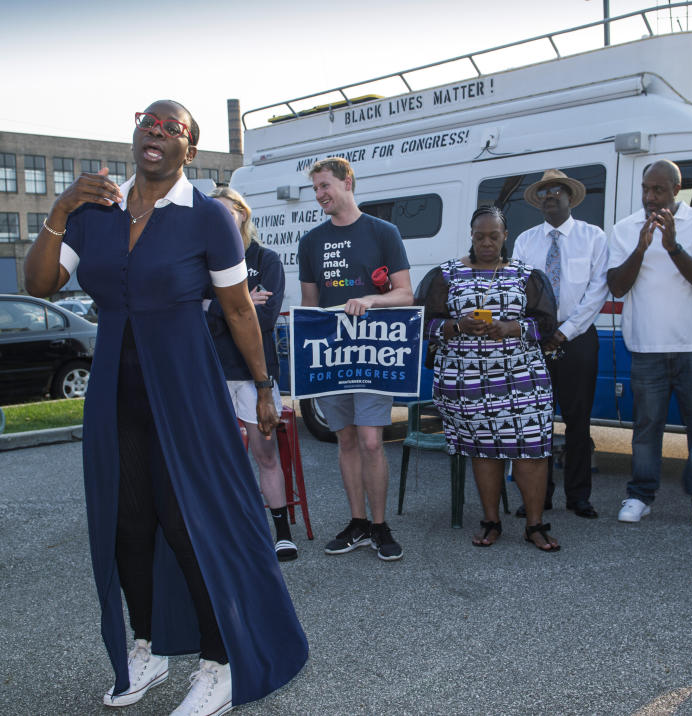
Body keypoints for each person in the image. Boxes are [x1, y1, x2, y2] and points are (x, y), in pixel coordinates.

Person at [23, 100, 307, 714]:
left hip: (184, 387)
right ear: (134, 135)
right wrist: (60, 207)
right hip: (114, 392)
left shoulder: (207, 216)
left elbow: (237, 310)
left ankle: (220, 661)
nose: (156, 132)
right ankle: (147, 647)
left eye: (171, 127)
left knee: (188, 525)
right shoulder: (94, 210)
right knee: (127, 524)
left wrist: (263, 385)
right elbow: (38, 285)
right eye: (147, 122)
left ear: (190, 149)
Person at [417, 206, 560, 550]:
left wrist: (513, 327)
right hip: (467, 383)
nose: (485, 242)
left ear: (504, 236)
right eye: (479, 236)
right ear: (471, 235)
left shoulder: (527, 275)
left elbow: (547, 325)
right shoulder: (446, 275)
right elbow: (422, 323)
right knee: (484, 450)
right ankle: (490, 521)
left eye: (493, 236)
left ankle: (535, 525)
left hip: (523, 380)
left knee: (532, 451)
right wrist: (456, 326)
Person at [298, 157, 413, 561]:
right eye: (315, 189)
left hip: (373, 354)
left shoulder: (384, 232)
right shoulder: (311, 241)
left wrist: (370, 299)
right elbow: (310, 305)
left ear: (348, 183)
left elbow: (405, 294)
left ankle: (380, 526)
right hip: (332, 357)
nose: (319, 195)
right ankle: (357, 523)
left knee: (370, 440)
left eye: (325, 186)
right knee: (345, 439)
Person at [607, 160, 692, 529]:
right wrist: (641, 248)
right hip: (646, 346)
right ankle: (640, 495)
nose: (651, 197)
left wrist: (671, 246)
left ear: (676, 189)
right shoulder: (625, 229)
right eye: (646, 189)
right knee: (646, 427)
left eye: (659, 189)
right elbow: (617, 286)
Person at [205, 186, 296, 561]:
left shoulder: (266, 260)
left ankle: (281, 531)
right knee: (218, 456)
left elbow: (264, 320)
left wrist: (213, 305)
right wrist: (239, 304)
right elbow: (196, 320)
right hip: (211, 371)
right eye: (213, 213)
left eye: (227, 212)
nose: (220, 219)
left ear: (242, 214)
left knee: (265, 452)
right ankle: (229, 532)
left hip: (255, 374)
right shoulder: (200, 261)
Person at [512, 169, 609, 519]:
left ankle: (579, 496)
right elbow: (518, 291)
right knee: (536, 421)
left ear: (571, 198)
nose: (549, 196)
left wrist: (566, 331)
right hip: (535, 341)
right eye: (544, 192)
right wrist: (540, 330)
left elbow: (598, 290)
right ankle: (538, 495)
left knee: (578, 420)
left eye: (557, 191)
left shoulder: (593, 237)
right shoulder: (525, 241)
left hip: (579, 339)